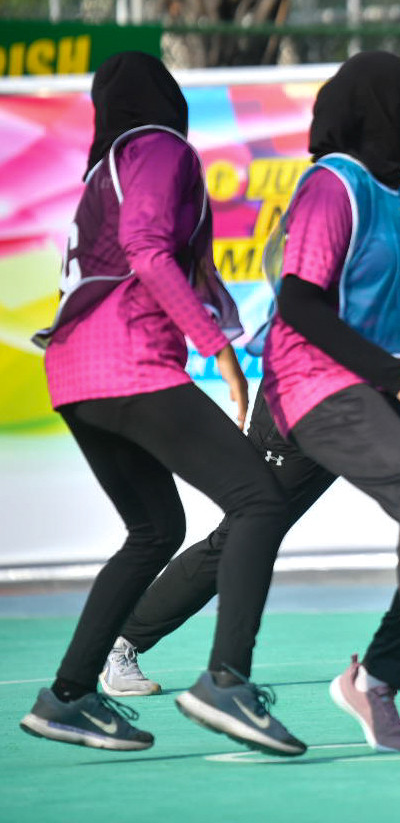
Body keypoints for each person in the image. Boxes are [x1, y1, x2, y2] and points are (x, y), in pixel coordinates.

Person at [99, 152, 400, 735]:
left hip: (366, 406)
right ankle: (123, 641)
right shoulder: (357, 245)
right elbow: (345, 337)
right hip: (301, 408)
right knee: (241, 538)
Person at [172, 51, 400, 756]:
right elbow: (300, 300)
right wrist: (396, 373)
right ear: (385, 112)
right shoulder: (331, 185)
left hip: (367, 384)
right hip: (315, 386)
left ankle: (375, 677)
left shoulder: (385, 199)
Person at [18, 52, 293, 752]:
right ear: (164, 97)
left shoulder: (101, 169)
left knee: (154, 529)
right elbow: (147, 249)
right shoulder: (161, 146)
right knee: (259, 497)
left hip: (72, 372)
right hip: (126, 361)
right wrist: (219, 349)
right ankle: (227, 680)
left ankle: (69, 695)